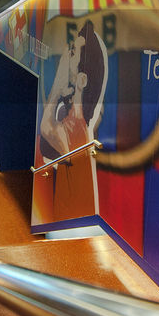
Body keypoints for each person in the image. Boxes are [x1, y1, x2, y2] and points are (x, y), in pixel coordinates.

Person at [37, 21, 107, 222]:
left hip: (73, 219)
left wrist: (58, 83)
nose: (67, 55)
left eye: (73, 52)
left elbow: (46, 128)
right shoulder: (75, 120)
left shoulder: (76, 126)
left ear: (82, 81)